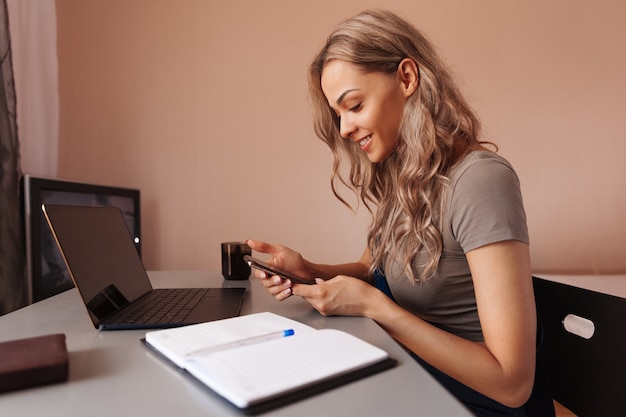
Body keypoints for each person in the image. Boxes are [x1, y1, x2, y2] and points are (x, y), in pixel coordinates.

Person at [247, 9, 554, 417]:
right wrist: (310, 270)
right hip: (418, 382)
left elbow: (512, 383)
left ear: (407, 79)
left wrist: (375, 308)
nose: (343, 129)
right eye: (337, 114)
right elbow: (372, 269)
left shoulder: (479, 181)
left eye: (353, 105)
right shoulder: (409, 177)